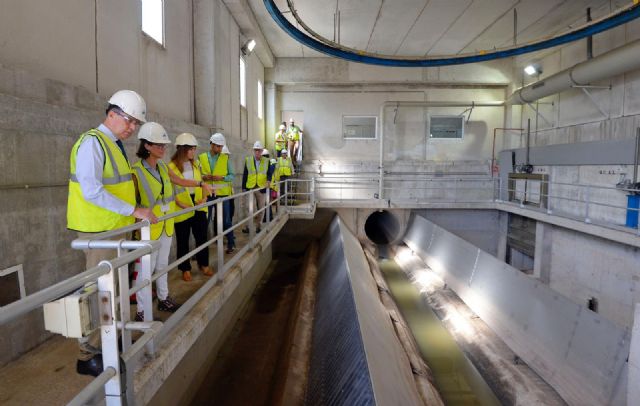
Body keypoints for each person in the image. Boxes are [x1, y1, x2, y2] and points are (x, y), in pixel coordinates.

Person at [67, 89, 157, 376]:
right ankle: (87, 354)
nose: (132, 127)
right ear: (112, 113)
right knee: (96, 293)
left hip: (115, 230)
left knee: (113, 290)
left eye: (135, 124)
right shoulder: (92, 143)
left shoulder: (114, 144)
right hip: (99, 233)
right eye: (129, 121)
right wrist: (135, 211)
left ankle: (109, 340)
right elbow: (92, 191)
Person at [131, 122, 183, 322]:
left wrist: (200, 184)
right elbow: (132, 204)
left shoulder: (163, 167)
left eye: (164, 145)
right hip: (148, 230)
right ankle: (142, 311)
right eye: (158, 145)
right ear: (146, 146)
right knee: (145, 271)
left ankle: (163, 298)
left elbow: (178, 182)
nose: (163, 148)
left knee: (162, 264)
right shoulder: (135, 172)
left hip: (166, 224)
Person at [168, 133, 213, 282]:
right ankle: (185, 268)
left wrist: (204, 198)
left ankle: (203, 264)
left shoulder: (196, 164)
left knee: (201, 237)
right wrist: (182, 204)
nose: (194, 152)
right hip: (181, 207)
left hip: (199, 205)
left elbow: (201, 183)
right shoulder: (171, 167)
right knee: (183, 239)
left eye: (194, 149)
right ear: (182, 149)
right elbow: (171, 190)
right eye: (191, 149)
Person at [199, 133, 236, 254]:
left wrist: (222, 177)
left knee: (226, 220)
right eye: (218, 146)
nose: (220, 149)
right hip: (207, 195)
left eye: (221, 146)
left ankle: (231, 243)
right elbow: (197, 175)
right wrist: (204, 177)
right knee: (205, 221)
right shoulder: (202, 157)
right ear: (211, 145)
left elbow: (232, 176)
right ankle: (200, 250)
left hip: (222, 195)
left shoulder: (225, 158)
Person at [242, 141, 273, 233]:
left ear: (262, 151)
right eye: (255, 150)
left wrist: (268, 180)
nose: (257, 152)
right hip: (250, 187)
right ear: (253, 150)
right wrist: (243, 188)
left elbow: (269, 173)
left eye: (259, 150)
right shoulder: (248, 160)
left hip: (261, 188)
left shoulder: (267, 161)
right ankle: (248, 226)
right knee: (248, 207)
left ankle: (258, 226)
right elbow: (245, 174)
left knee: (261, 208)